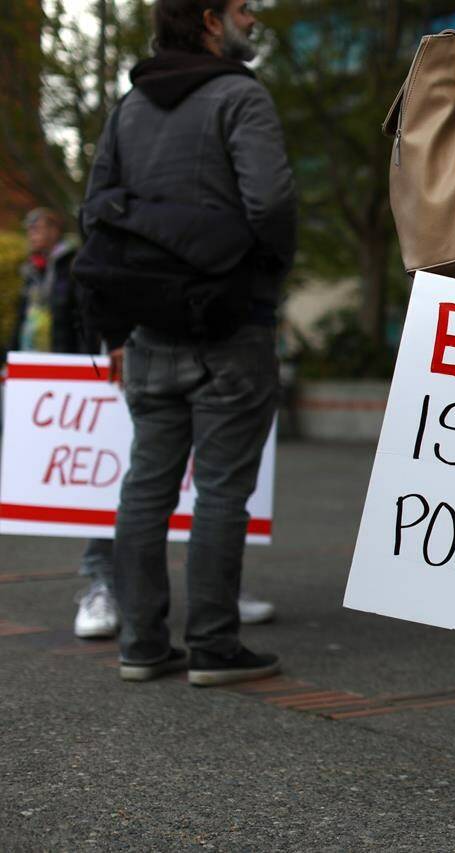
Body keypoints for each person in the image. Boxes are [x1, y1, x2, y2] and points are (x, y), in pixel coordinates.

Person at [80, 0, 296, 684]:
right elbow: (270, 204)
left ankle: (142, 642)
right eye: (242, 7)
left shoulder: (129, 107)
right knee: (223, 490)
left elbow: (96, 212)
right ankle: (212, 644)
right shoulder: (239, 96)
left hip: (148, 325)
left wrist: (119, 316)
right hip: (231, 325)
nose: (254, 18)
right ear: (209, 19)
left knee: (146, 484)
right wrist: (262, 278)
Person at [11, 208, 119, 638]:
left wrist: (84, 367)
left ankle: (220, 585)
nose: (32, 234)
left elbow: (81, 319)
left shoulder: (72, 265)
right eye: (28, 227)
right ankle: (102, 579)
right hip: (41, 370)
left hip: (74, 368)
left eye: (37, 226)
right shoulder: (32, 270)